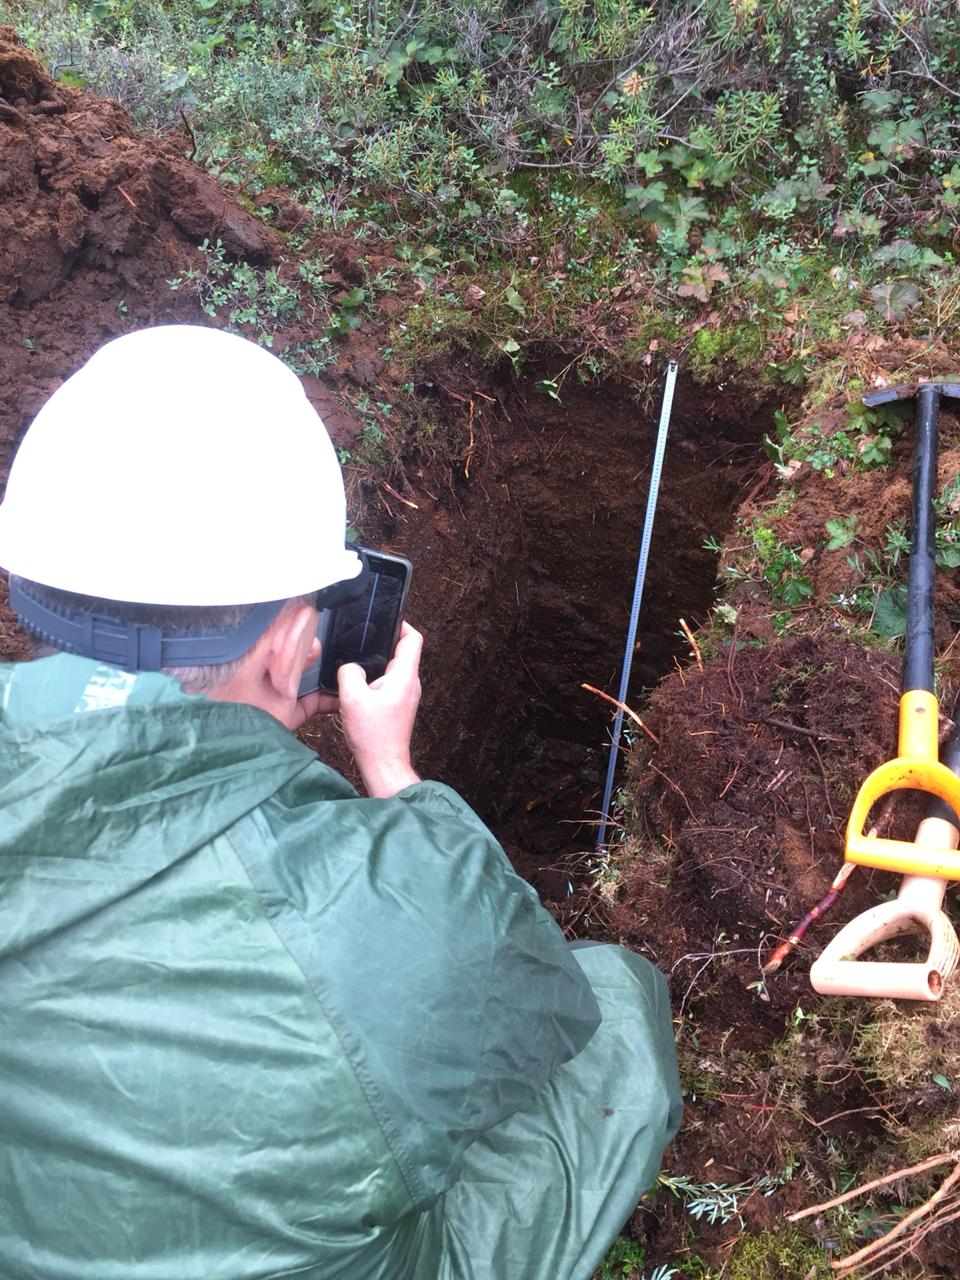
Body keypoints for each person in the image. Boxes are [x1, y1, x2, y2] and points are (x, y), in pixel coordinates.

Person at [0, 325, 681, 1280]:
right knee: (615, 1003)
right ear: (288, 647)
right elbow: (536, 1002)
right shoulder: (387, 913)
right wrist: (396, 777)